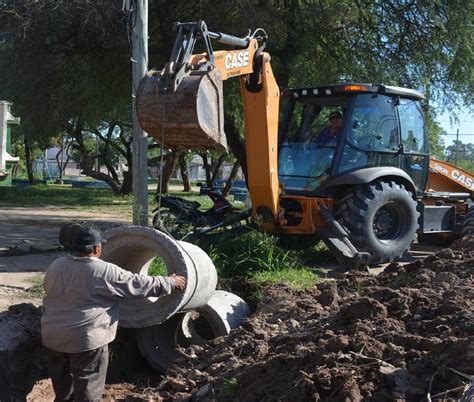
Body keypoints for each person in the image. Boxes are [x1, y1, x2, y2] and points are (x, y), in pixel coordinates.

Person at [41, 227, 186, 402]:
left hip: (52, 335)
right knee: (88, 384)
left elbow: (48, 289)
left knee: (62, 385)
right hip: (85, 340)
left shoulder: (56, 265)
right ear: (96, 249)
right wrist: (169, 281)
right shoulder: (104, 271)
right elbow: (139, 284)